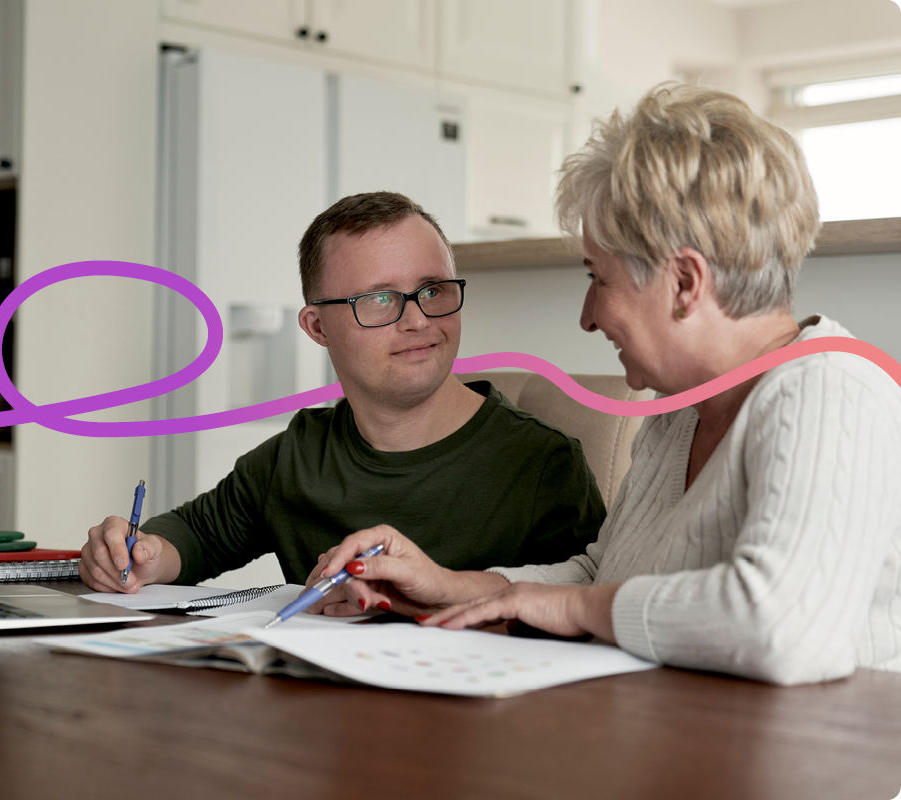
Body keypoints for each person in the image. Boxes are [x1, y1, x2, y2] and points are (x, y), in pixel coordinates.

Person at [310, 85, 901, 685]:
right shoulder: (681, 410)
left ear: (685, 282)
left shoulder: (832, 391)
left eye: (600, 278)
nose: (588, 316)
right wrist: (448, 588)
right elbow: (604, 578)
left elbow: (785, 629)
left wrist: (569, 608)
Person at [79, 191, 606, 603]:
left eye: (432, 290)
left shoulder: (544, 464)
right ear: (317, 327)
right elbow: (195, 535)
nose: (417, 319)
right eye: (379, 299)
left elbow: (587, 606)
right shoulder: (297, 454)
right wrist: (140, 553)